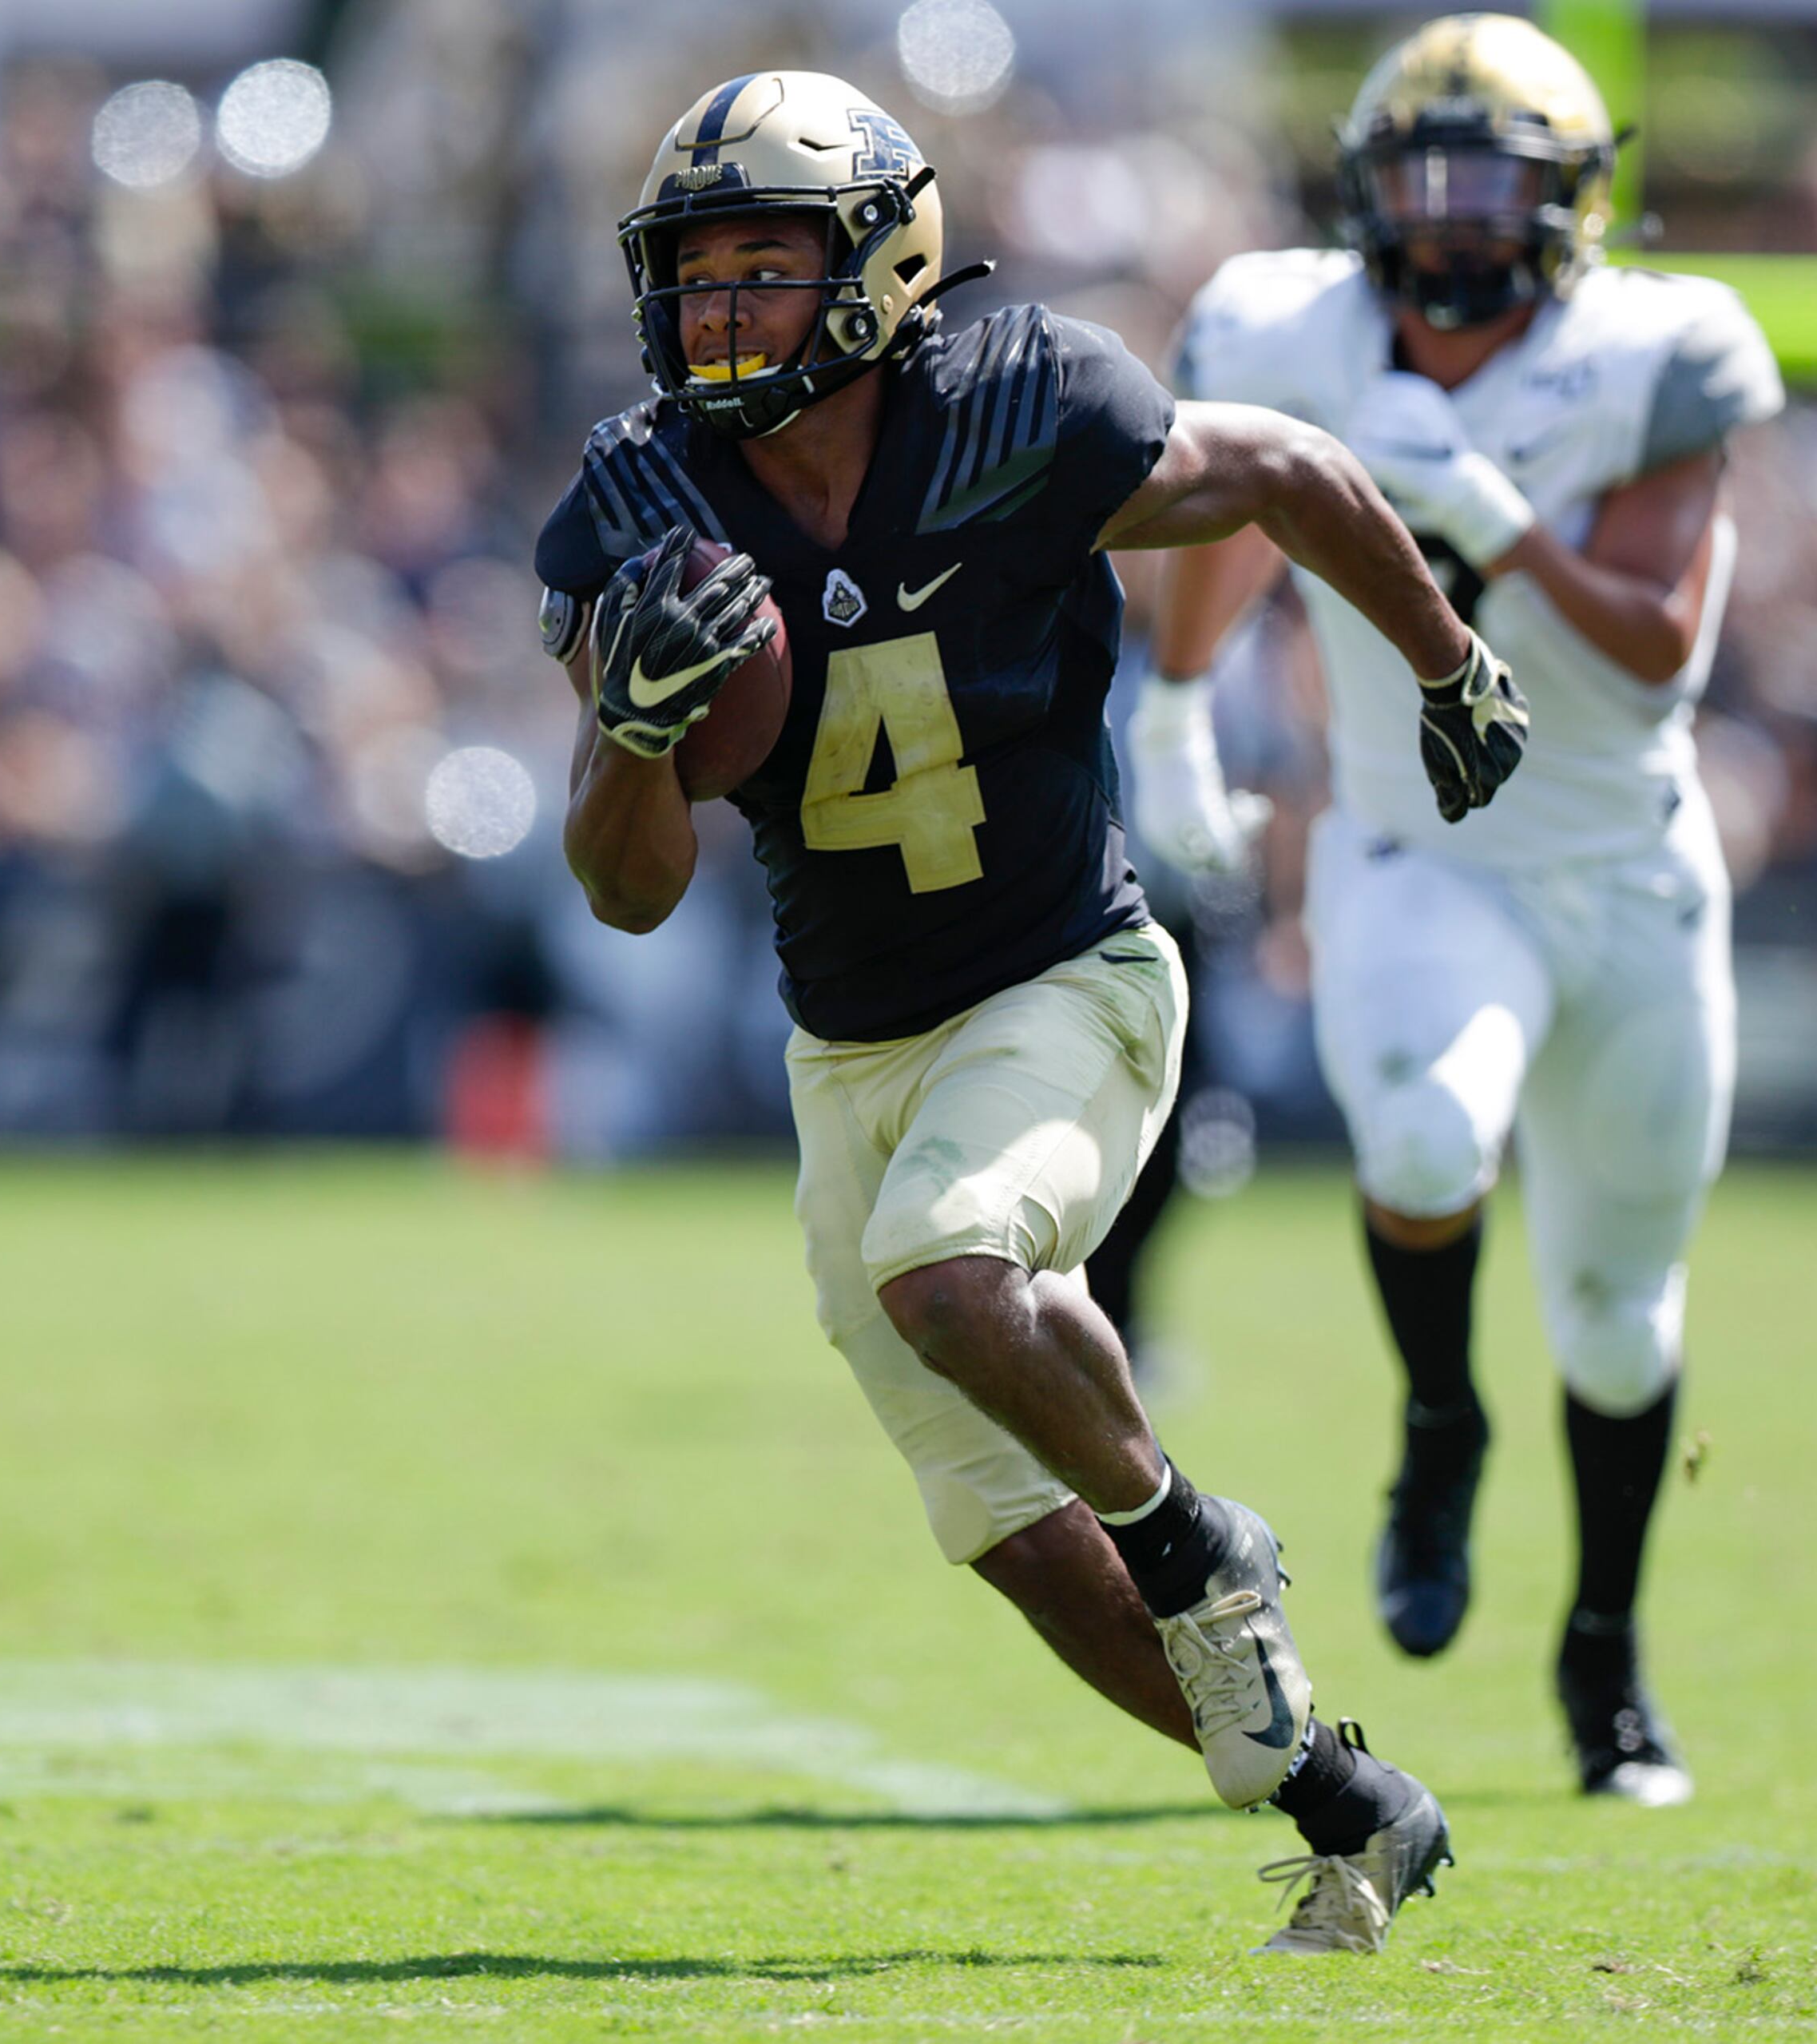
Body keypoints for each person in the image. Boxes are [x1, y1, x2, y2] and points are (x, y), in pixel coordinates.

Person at [540, 70, 1529, 1951]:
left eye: (762, 267)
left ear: (876, 263)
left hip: (1068, 976)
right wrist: (636, 734)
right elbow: (630, 880)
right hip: (851, 1049)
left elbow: (1292, 474)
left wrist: (1450, 664)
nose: (717, 313)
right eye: (696, 275)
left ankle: (1198, 1538)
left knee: (948, 1263)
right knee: (994, 1517)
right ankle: (1337, 1794)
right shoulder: (645, 507)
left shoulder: (1020, 405)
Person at [1139, 14, 1783, 1807]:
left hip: (1629, 872)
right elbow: (1220, 521)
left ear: (1572, 203)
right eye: (1422, 177)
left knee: (1619, 1316)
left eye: (1493, 182)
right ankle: (1439, 1423)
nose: (1452, 221)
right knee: (1423, 1141)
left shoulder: (1661, 349)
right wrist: (1182, 704)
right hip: (1421, 854)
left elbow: (1658, 654)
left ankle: (1608, 1657)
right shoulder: (1290, 328)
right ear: (1365, 194)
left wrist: (1494, 517)